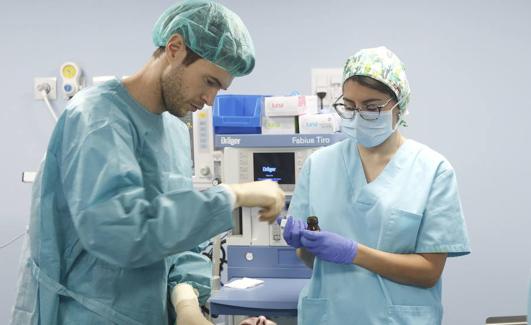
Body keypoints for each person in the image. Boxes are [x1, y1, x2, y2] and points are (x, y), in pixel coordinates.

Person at [10, 1, 285, 324]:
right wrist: (233, 195)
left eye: (220, 89)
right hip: (81, 313)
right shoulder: (97, 119)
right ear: (175, 48)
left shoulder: (173, 130)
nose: (210, 100)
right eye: (209, 81)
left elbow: (176, 237)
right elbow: (122, 232)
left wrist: (187, 304)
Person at [282, 46, 470, 324]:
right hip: (329, 315)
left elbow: (429, 271)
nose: (358, 115)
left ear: (399, 106)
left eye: (372, 107)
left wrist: (354, 252)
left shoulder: (432, 170)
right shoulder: (319, 165)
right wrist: (304, 244)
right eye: (349, 106)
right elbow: (312, 261)